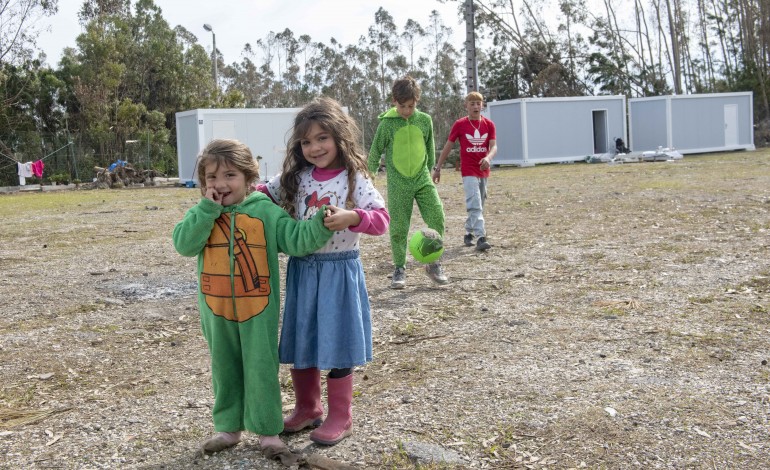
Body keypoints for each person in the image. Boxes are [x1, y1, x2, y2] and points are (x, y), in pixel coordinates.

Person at [172, 139, 334, 461]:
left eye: (230, 175)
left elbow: (295, 239)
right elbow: (183, 244)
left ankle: (268, 431)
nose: (220, 184)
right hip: (215, 312)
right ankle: (228, 428)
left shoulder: (264, 211)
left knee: (261, 367)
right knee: (224, 367)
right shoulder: (203, 213)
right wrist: (207, 210)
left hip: (257, 312)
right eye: (212, 177)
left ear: (249, 179)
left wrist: (320, 224)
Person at [256, 96, 389, 446]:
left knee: (338, 343)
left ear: (339, 137)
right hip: (302, 271)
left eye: (322, 138)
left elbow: (382, 220)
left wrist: (354, 217)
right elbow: (261, 194)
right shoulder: (296, 177)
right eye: (306, 141)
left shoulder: (353, 177)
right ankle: (308, 408)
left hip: (339, 273)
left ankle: (341, 416)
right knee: (304, 340)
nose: (314, 147)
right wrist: (232, 189)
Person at [368, 75, 448, 289]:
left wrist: (432, 169)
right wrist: (369, 176)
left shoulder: (425, 120)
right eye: (402, 106)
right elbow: (375, 151)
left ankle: (433, 262)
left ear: (417, 102)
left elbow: (430, 148)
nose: (406, 111)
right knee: (399, 227)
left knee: (437, 216)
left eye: (411, 106)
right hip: (398, 183)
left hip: (422, 178)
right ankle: (399, 268)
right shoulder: (387, 124)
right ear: (394, 101)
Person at [433, 91, 497, 251]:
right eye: (472, 103)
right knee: (474, 203)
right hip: (468, 170)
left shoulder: (489, 124)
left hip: (483, 170)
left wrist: (488, 158)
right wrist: (438, 167)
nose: (475, 106)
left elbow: (494, 146)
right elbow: (448, 145)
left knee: (480, 202)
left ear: (482, 105)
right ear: (466, 106)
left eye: (478, 103)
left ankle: (469, 231)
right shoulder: (460, 124)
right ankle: (481, 237)